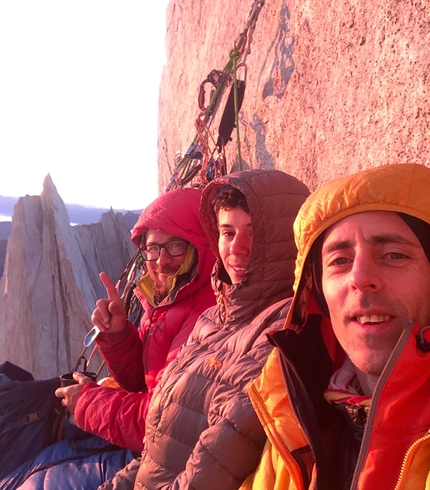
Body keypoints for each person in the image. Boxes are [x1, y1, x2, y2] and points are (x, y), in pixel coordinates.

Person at [102, 168, 310, 490]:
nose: (236, 248)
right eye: (227, 233)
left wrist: (85, 402)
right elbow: (157, 449)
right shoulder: (213, 318)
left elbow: (210, 467)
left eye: (254, 232)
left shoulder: (280, 333)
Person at [2, 187, 216, 490]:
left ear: (200, 245)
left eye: (176, 245)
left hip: (169, 458)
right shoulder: (171, 303)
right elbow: (143, 382)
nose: (161, 259)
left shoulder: (204, 315)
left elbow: (165, 425)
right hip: (149, 444)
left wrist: (88, 402)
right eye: (152, 248)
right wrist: (118, 336)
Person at [241, 162, 430, 490]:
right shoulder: (292, 413)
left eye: (394, 255)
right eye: (339, 261)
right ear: (317, 292)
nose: (360, 278)